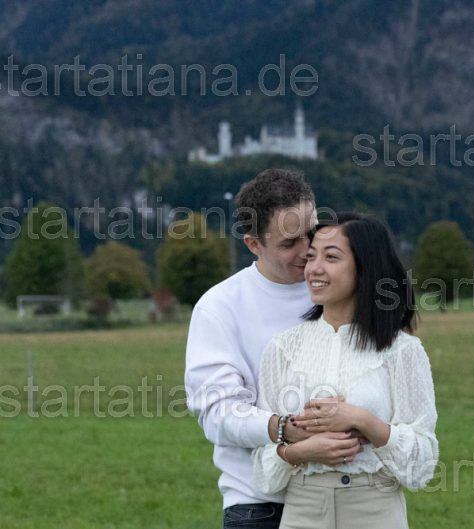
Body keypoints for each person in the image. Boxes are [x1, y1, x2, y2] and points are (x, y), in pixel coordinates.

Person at [185, 169, 364, 529]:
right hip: (261, 506)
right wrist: (285, 430)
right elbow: (217, 412)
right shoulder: (219, 307)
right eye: (289, 243)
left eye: (312, 232)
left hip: (349, 495)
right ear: (254, 244)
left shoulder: (347, 288)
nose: (307, 250)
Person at [252, 213, 439, 529]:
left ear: (364, 268)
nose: (314, 268)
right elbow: (263, 468)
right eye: (311, 256)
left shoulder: (402, 350)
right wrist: (301, 451)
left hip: (376, 510)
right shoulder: (282, 348)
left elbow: (421, 465)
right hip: (302, 511)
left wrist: (362, 420)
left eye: (331, 257)